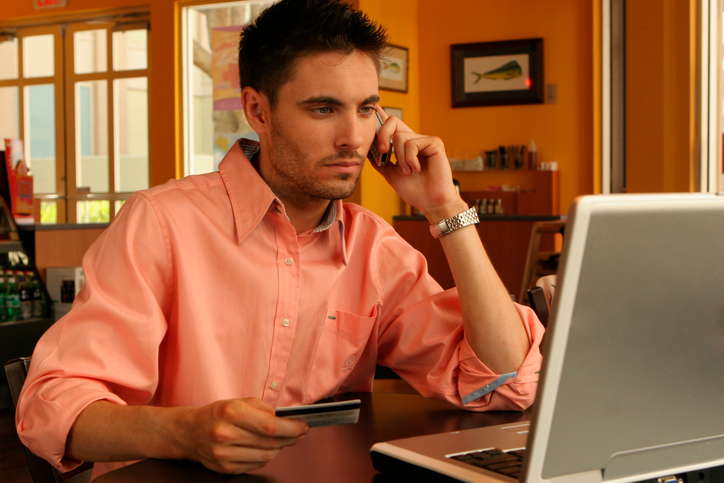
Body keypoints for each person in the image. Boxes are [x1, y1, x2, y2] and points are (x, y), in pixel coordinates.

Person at [16, 0, 544, 478]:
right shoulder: (161, 223)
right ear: (257, 111)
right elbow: (51, 403)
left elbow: (505, 379)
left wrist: (445, 206)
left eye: (366, 109)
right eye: (323, 108)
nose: (354, 138)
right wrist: (185, 433)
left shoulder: (374, 248)